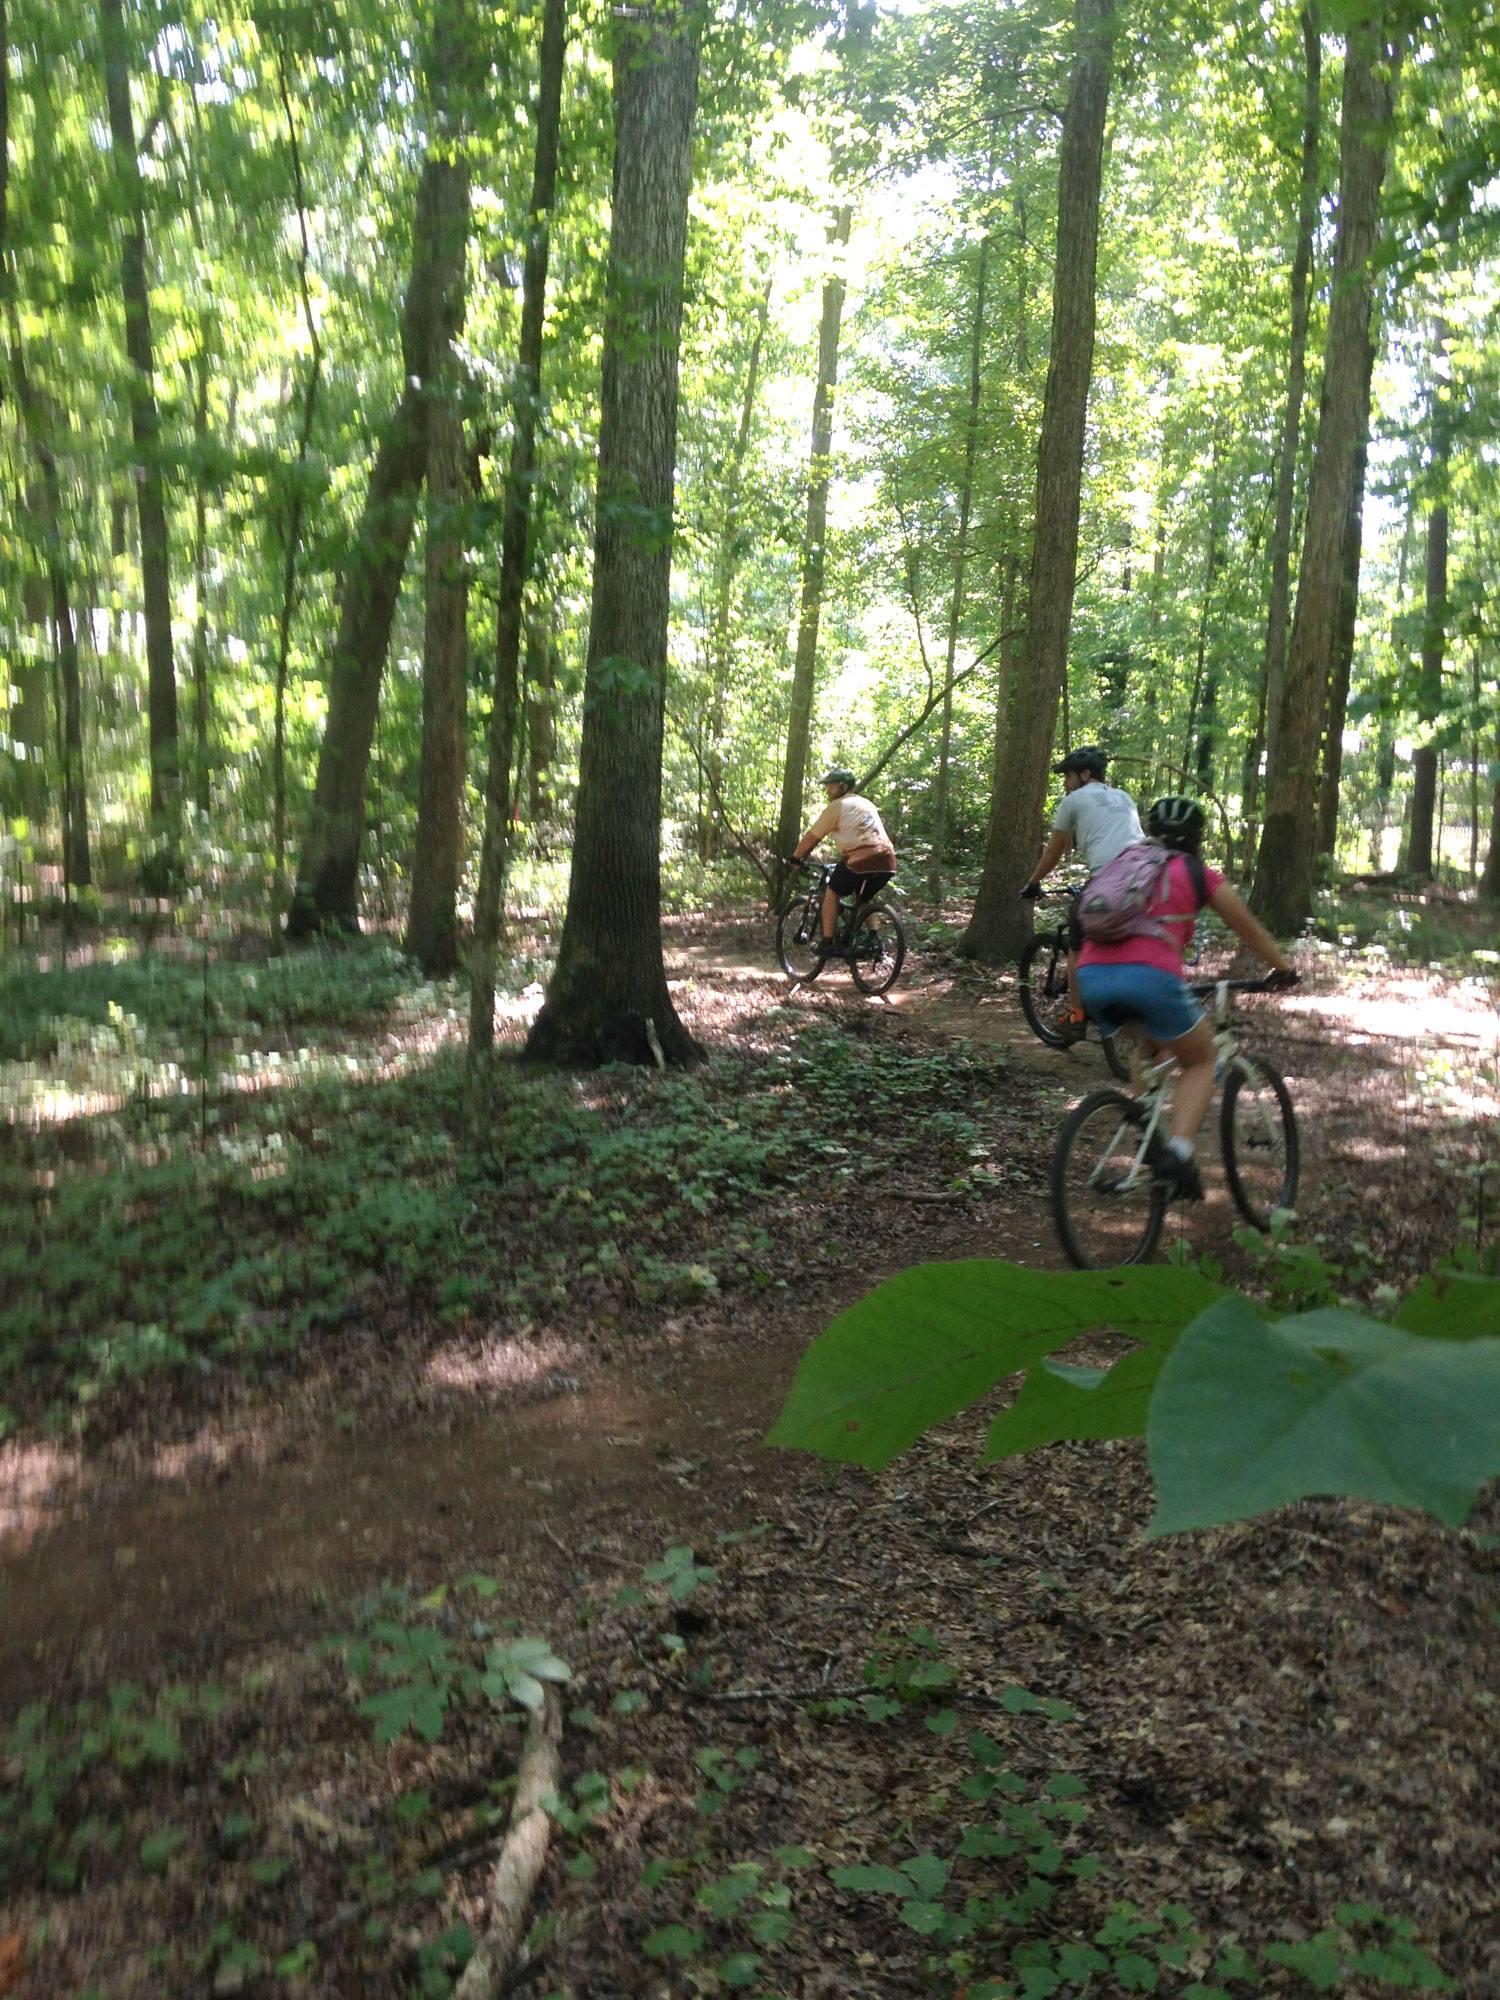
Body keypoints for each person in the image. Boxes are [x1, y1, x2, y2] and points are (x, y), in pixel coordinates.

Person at [1074, 794, 1297, 1201]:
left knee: (1153, 1044)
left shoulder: (1122, 863)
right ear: (1197, 838)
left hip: (1092, 977)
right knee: (1203, 1057)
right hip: (1151, 979)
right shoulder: (1198, 874)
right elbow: (1249, 929)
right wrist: (1282, 968)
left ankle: (1147, 1128)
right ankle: (1177, 1154)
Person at [1019, 745, 1145, 1039]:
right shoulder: (1124, 797)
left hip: (1108, 878)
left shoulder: (1074, 800)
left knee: (1077, 942)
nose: (1065, 783)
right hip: (1146, 877)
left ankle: (1076, 1016)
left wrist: (1033, 881)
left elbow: (1055, 849)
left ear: (1085, 775)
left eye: (1068, 776)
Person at [787, 767, 898, 959]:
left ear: (843, 787)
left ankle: (828, 942)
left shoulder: (837, 806)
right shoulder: (867, 804)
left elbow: (812, 837)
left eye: (831, 787)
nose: (827, 791)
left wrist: (796, 857)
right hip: (887, 859)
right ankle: (874, 939)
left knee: (832, 891)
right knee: (864, 899)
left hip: (860, 858)